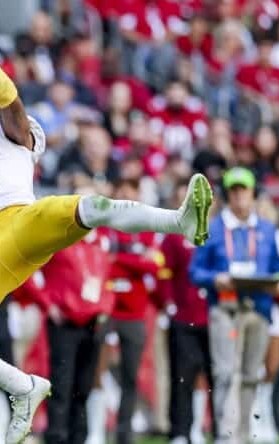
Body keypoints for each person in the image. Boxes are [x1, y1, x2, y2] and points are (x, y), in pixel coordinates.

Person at [0, 10, 213, 443]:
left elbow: (9, 97)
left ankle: (178, 222)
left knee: (95, 206)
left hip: (25, 219)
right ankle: (23, 387)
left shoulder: (9, 131)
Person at [190, 167, 279, 444]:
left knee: (250, 374)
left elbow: (277, 268)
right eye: (234, 190)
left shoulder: (266, 229)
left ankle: (243, 432)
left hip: (258, 308)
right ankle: (225, 433)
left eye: (244, 189)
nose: (240, 195)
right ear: (227, 194)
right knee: (225, 372)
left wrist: (277, 283)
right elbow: (195, 272)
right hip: (225, 308)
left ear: (253, 193)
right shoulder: (214, 228)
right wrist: (214, 278)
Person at [104, 178, 166, 444]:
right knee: (95, 372)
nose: (125, 193)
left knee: (131, 375)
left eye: (131, 188)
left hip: (134, 313)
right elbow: (102, 263)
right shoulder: (105, 225)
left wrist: (120, 260)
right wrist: (136, 261)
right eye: (122, 188)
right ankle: (94, 429)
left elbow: (155, 267)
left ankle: (123, 434)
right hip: (105, 311)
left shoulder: (147, 228)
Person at [40, 222, 113, 444]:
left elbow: (107, 282)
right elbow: (31, 273)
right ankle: (56, 437)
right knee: (61, 385)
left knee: (84, 386)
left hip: (92, 325)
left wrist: (105, 309)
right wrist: (48, 304)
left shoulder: (101, 244)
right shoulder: (60, 241)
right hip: (65, 323)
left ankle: (79, 437)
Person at [159, 180, 213, 444]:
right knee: (182, 376)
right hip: (183, 317)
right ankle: (180, 431)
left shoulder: (214, 232)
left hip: (213, 317)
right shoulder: (172, 236)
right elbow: (164, 274)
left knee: (214, 376)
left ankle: (209, 429)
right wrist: (168, 304)